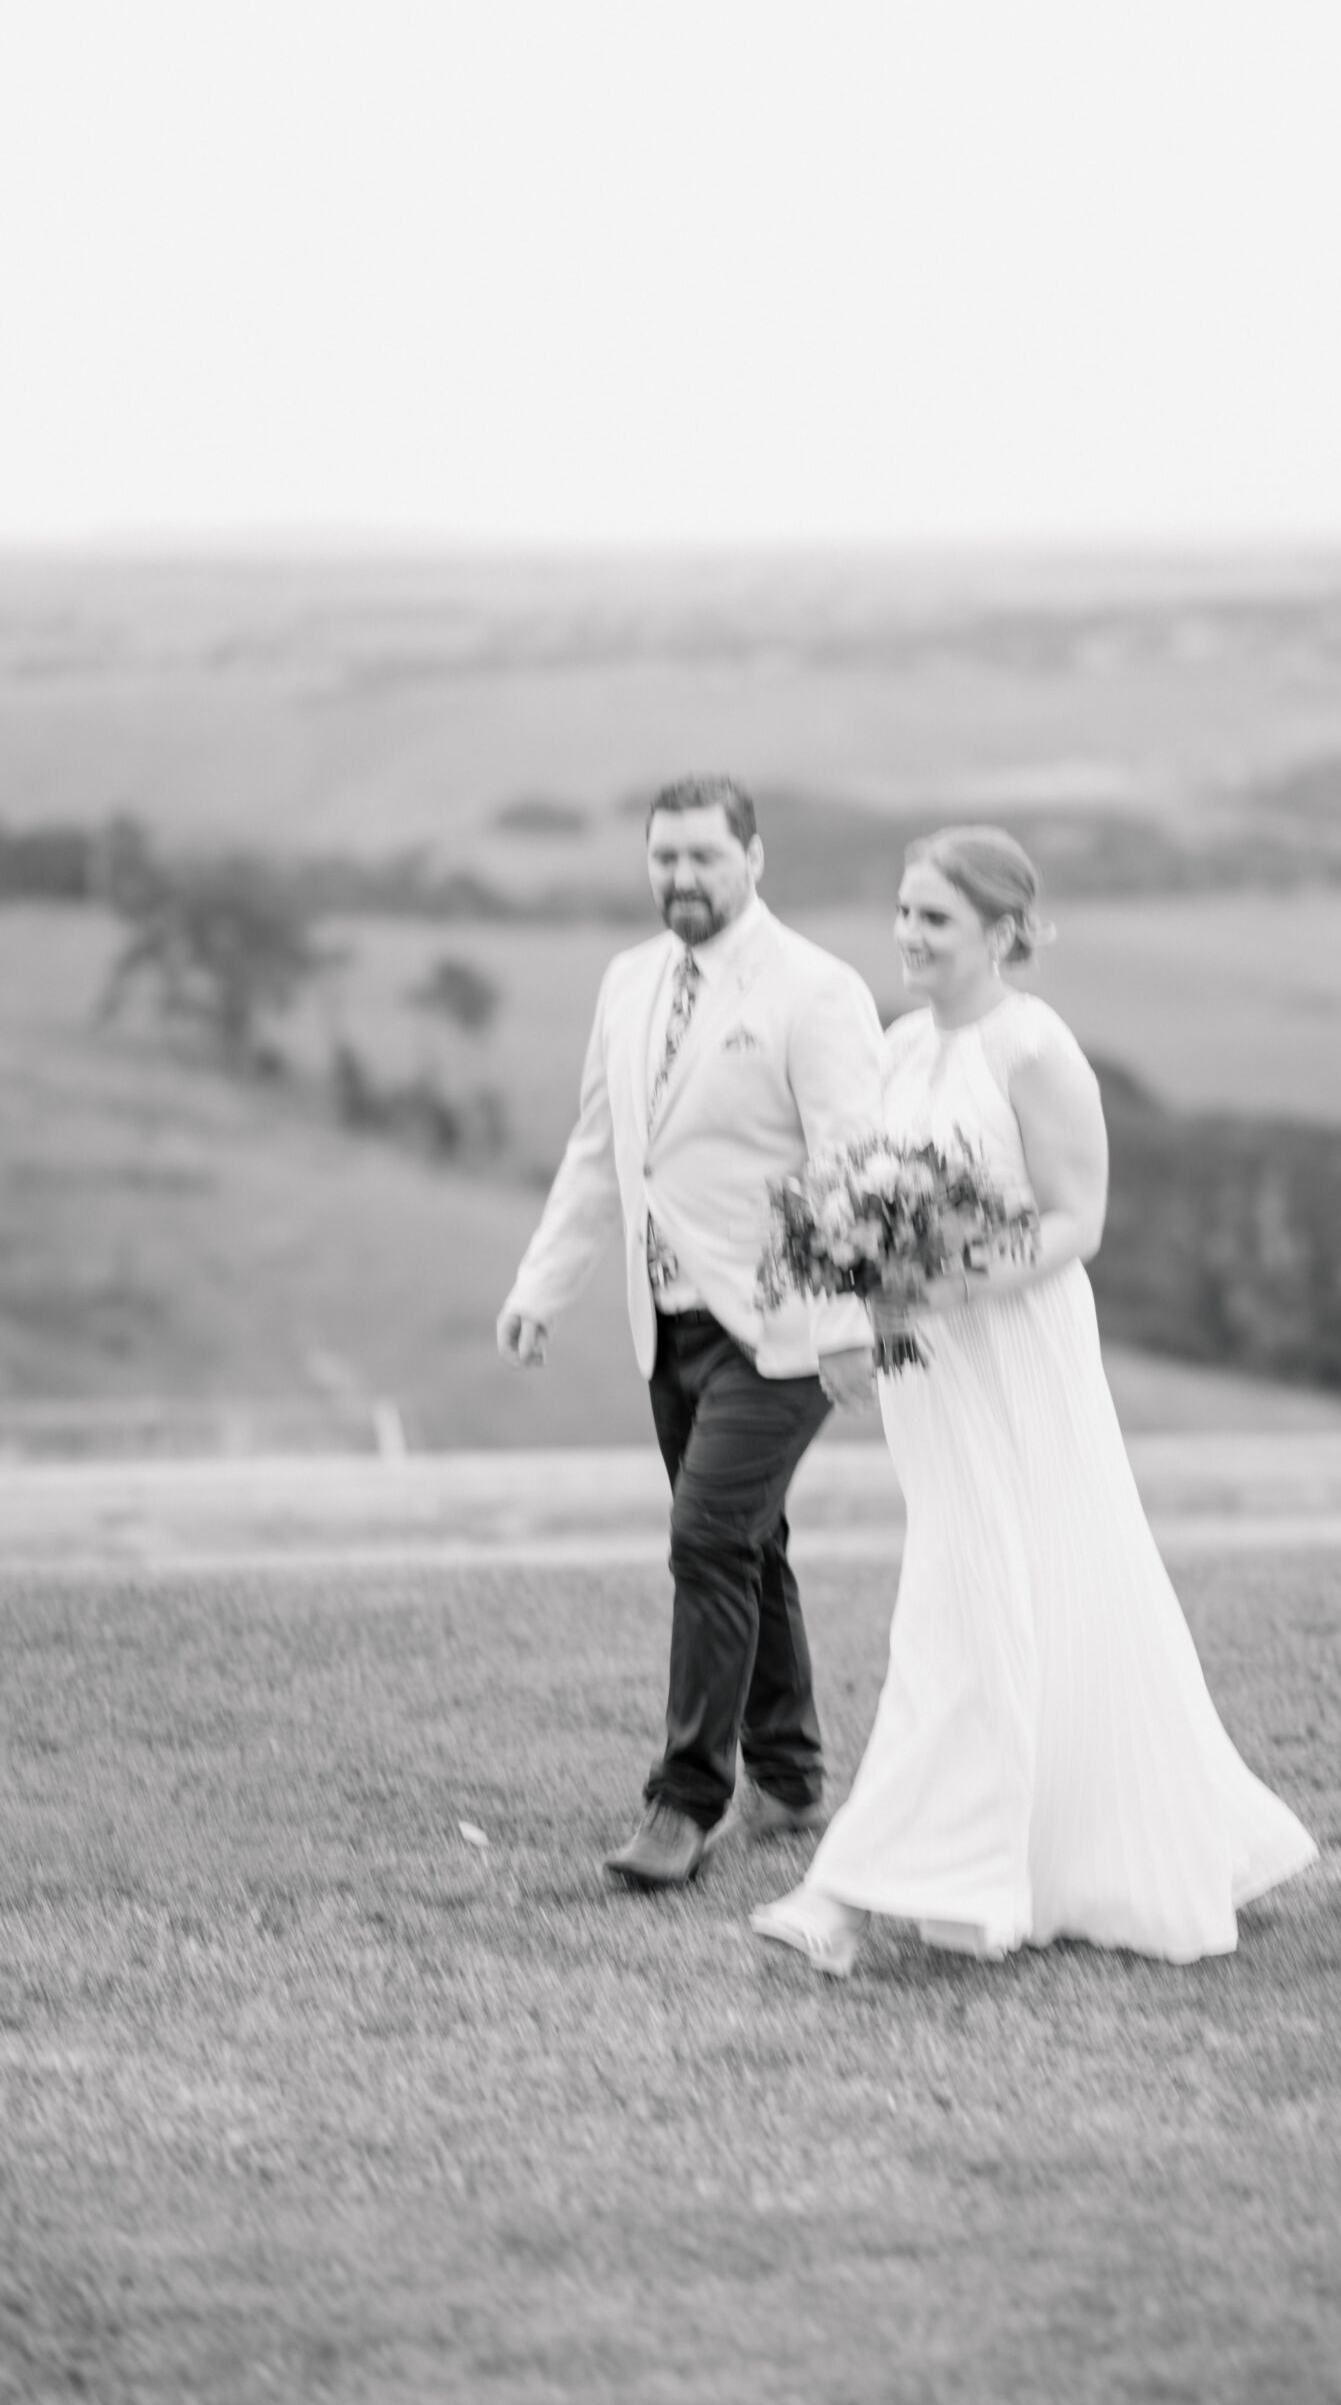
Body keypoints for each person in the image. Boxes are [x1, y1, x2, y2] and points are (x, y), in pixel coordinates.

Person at [751, 826, 1317, 1976]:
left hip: (1017, 1353)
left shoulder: (1036, 1048)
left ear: (1004, 931)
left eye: (935, 918)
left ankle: (849, 1891)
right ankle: (1012, 1859)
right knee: (981, 1589)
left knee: (987, 1596)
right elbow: (862, 1203)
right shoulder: (901, 1046)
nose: (909, 935)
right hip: (929, 1367)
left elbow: (1076, 1222)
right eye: (904, 912)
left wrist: (948, 1280)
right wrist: (862, 1296)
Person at [497, 776, 882, 1889]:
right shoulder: (627, 980)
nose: (681, 877)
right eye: (663, 857)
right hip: (665, 1322)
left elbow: (851, 1167)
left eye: (704, 856)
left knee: (708, 1537)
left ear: (753, 858)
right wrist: (541, 1285)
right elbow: (601, 1148)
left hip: (781, 1327)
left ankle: (685, 1801)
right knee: (749, 1543)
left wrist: (847, 1322)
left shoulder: (817, 989)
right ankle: (793, 1776)